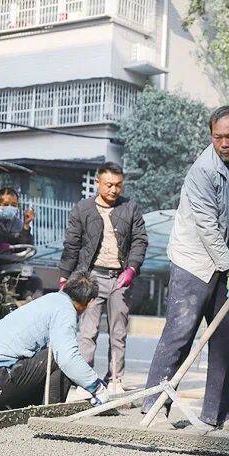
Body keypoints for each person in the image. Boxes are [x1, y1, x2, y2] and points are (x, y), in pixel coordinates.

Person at [143, 106, 229, 429]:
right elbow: (207, 228)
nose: (223, 144)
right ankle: (155, 406)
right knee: (180, 332)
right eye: (217, 137)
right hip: (194, 260)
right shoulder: (202, 171)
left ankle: (217, 414)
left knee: (228, 339)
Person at [59, 162, 148, 388]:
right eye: (109, 184)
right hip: (91, 278)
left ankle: (115, 379)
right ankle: (84, 381)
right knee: (87, 333)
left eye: (118, 185)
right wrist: (64, 277)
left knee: (118, 333)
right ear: (98, 183)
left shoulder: (130, 208)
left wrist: (132, 268)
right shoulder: (83, 209)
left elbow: (140, 240)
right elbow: (72, 244)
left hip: (120, 279)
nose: (114, 190)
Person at [0, 272, 109, 410]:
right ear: (89, 302)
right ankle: (51, 414)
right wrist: (96, 387)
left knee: (55, 355)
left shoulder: (52, 300)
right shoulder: (65, 310)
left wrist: (85, 380)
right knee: (58, 357)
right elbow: (67, 358)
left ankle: (29, 407)